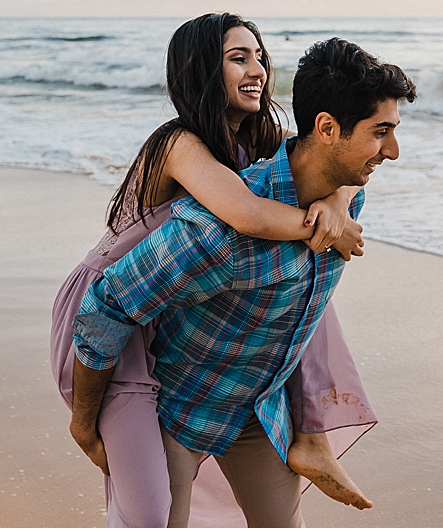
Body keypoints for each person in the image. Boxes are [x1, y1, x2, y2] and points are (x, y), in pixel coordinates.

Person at [70, 36, 417, 527]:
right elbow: (103, 307)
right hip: (181, 410)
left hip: (258, 407)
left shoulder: (343, 193)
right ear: (326, 128)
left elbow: (320, 168)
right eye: (381, 132)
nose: (394, 152)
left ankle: (313, 437)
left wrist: (338, 199)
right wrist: (84, 423)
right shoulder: (213, 229)